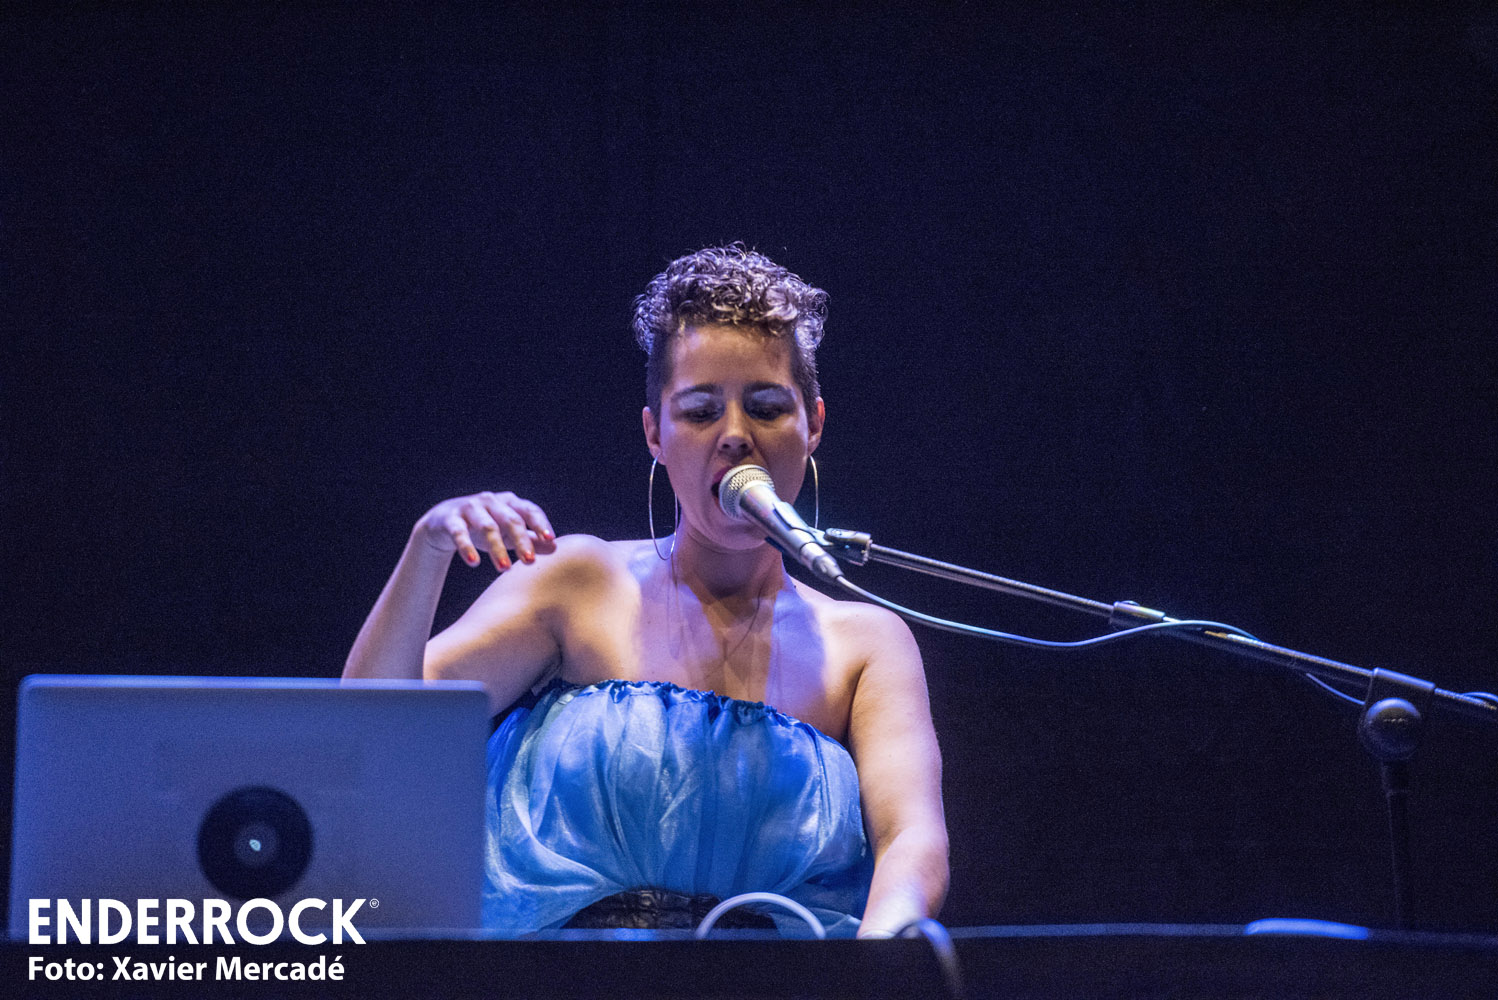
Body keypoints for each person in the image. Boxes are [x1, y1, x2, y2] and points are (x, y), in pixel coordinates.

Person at [343, 245, 947, 938]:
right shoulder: (579, 582)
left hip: (781, 983)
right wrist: (427, 551)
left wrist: (874, 967)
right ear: (654, 433)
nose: (735, 436)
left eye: (765, 407)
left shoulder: (865, 644)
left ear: (812, 424)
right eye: (700, 411)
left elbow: (912, 841)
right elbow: (373, 735)